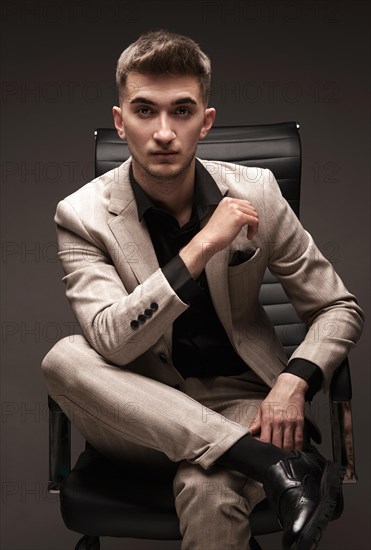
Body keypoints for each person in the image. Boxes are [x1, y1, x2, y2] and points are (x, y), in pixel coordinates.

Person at [42, 30, 364, 550]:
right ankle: (273, 464)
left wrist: (293, 383)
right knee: (65, 357)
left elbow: (337, 307)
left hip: (241, 402)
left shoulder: (257, 190)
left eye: (182, 111)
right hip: (139, 412)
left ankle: (247, 455)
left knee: (209, 488)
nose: (164, 132)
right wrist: (203, 245)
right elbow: (113, 341)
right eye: (145, 111)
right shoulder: (80, 215)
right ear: (121, 122)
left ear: (205, 122)